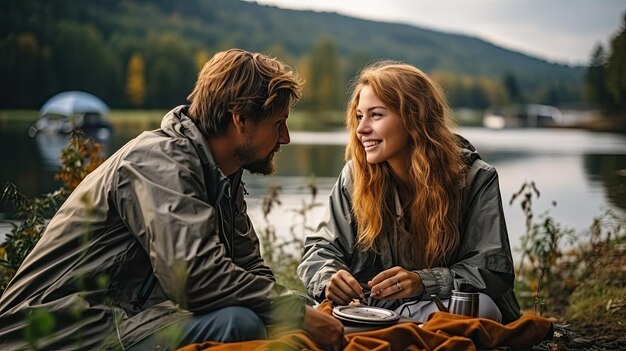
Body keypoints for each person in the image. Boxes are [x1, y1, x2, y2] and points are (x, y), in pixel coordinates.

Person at [0, 49, 344, 350]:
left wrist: (313, 309)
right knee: (238, 325)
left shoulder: (222, 174)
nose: (285, 137)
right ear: (239, 118)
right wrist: (295, 314)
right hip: (62, 330)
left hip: (126, 319)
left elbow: (249, 269)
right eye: (278, 123)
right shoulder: (158, 163)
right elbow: (194, 279)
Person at [297, 61, 521, 324]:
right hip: (373, 309)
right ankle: (394, 330)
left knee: (481, 308)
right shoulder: (355, 176)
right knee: (298, 306)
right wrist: (329, 279)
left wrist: (423, 282)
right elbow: (321, 249)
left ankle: (392, 330)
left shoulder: (474, 178)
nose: (361, 129)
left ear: (414, 118)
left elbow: (492, 269)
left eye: (376, 115)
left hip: (437, 306)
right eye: (359, 116)